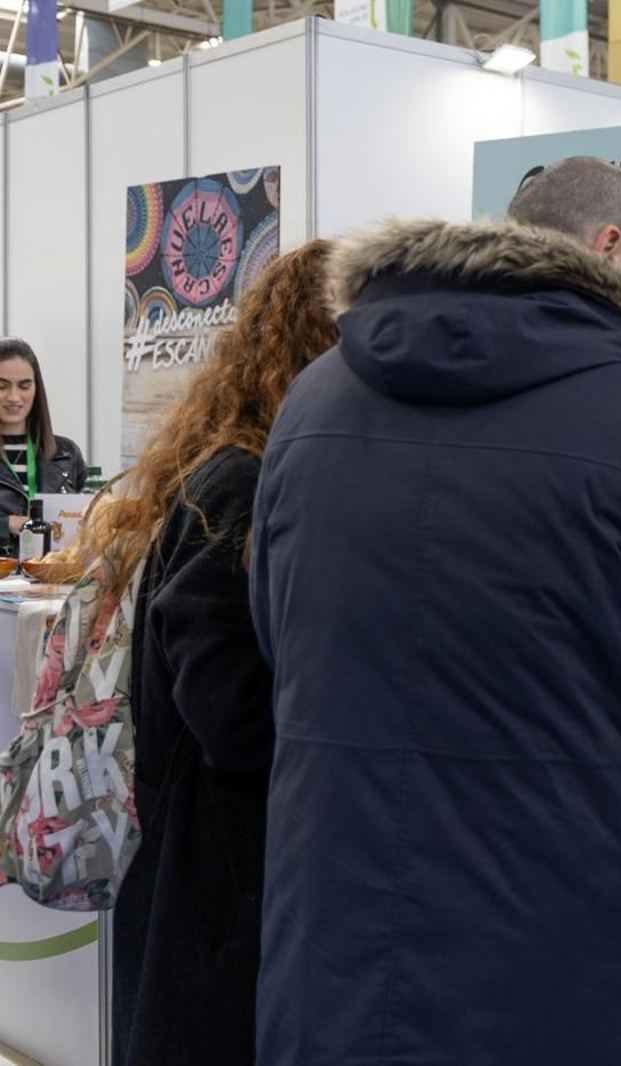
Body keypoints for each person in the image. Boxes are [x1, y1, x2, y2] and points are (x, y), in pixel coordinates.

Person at [249, 158, 621, 1065]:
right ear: (608, 248)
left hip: (340, 943)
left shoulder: (314, 398)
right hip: (569, 950)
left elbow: (278, 634)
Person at [67, 242, 339, 1065]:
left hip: (199, 853)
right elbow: (226, 698)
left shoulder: (231, 467)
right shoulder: (245, 482)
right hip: (216, 862)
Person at [0, 338, 86, 550]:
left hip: (52, 577)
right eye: (2, 386)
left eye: (24, 386)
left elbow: (86, 518)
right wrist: (5, 525)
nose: (14, 397)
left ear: (36, 389)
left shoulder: (66, 453)